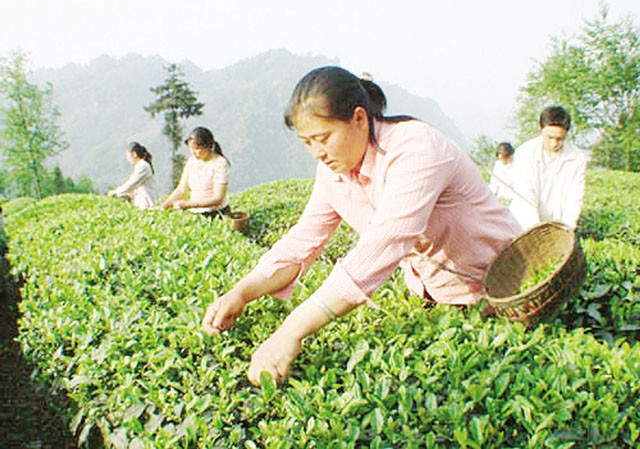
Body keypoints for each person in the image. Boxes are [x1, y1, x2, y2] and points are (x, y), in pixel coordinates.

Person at [202, 66, 521, 386]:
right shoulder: (332, 172)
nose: (318, 153)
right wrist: (241, 293)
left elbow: (385, 243)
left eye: (323, 139)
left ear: (359, 119)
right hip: (440, 296)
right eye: (307, 143)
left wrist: (291, 330)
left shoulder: (414, 148)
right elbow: (303, 240)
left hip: (511, 286)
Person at [509, 106, 587, 231]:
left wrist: (566, 228)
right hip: (523, 222)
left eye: (559, 139)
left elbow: (574, 197)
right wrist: (538, 231)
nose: (554, 143)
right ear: (541, 130)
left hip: (557, 223)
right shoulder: (525, 153)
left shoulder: (577, 157)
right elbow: (526, 196)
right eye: (549, 137)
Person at [160, 126, 231, 218]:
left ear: (208, 147)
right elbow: (181, 189)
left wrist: (187, 204)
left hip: (216, 213)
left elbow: (218, 198)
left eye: (197, 149)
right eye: (191, 148)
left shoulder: (219, 163)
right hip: (195, 213)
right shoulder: (191, 162)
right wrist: (164, 206)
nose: (193, 152)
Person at [107, 142, 156, 209]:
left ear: (134, 154)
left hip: (145, 203)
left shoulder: (143, 166)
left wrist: (115, 192)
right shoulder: (140, 165)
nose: (127, 158)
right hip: (141, 202)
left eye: (127, 156)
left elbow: (131, 184)